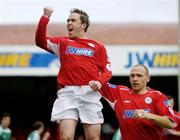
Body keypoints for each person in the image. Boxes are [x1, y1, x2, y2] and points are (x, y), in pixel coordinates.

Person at [35, 6, 112, 140]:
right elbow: (40, 41)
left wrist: (100, 82)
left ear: (83, 25)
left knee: (93, 138)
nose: (69, 23)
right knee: (66, 137)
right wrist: (45, 18)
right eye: (68, 20)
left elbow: (108, 70)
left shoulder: (98, 46)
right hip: (68, 94)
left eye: (73, 20)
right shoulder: (63, 43)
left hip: (90, 94)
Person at [89, 64, 175, 140]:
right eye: (132, 76)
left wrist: (149, 115)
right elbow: (99, 81)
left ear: (148, 78)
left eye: (139, 76)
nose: (135, 79)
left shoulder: (157, 96)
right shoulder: (120, 92)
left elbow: (170, 123)